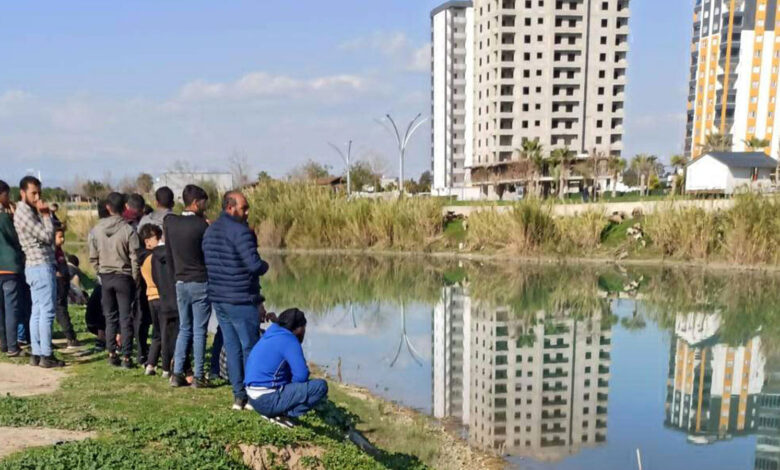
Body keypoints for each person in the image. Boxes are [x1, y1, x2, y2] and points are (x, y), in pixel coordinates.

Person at [203, 191, 270, 410]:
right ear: (230, 207)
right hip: (241, 298)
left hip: (219, 298)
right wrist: (264, 266)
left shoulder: (210, 231)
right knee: (250, 346)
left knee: (231, 347)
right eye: (244, 208)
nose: (247, 212)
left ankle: (238, 396)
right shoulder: (240, 232)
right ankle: (253, 395)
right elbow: (253, 265)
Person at [245, 309, 328, 427]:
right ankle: (283, 414)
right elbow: (301, 375)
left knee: (288, 373)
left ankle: (277, 410)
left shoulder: (272, 331)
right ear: (299, 328)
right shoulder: (290, 340)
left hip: (252, 397)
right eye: (304, 328)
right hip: (266, 401)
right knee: (320, 386)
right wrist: (293, 388)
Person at [14, 176, 64, 368]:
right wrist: (46, 216)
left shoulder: (26, 211)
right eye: (33, 193)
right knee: (47, 312)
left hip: (34, 266)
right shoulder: (25, 213)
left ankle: (37, 352)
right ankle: (46, 354)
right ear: (23, 193)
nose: (37, 197)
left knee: (37, 311)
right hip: (40, 265)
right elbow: (46, 236)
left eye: (39, 193)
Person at [165, 184, 211, 388]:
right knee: (199, 330)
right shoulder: (202, 226)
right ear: (195, 203)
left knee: (185, 328)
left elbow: (168, 253)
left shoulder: (172, 224)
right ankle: (199, 375)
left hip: (180, 281)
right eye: (203, 203)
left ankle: (177, 373)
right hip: (200, 281)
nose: (205, 207)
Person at [89, 192, 140, 368]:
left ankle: (111, 353)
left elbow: (93, 256)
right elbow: (135, 257)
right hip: (124, 276)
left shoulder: (96, 230)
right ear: (125, 207)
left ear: (108, 207)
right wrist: (134, 277)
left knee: (109, 317)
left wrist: (100, 272)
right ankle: (126, 356)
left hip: (106, 276)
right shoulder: (128, 230)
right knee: (125, 318)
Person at [150, 220, 181, 379]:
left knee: (164, 333)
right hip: (176, 297)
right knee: (178, 333)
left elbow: (154, 277)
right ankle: (178, 365)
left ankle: (165, 368)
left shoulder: (154, 255)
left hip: (163, 298)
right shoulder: (175, 252)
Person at [0, 180, 25, 357]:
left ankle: (2, 343)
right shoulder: (4, 218)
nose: (8, 198)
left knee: (0, 309)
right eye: (6, 194)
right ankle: (12, 346)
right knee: (11, 308)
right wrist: (14, 217)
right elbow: (15, 238)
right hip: (9, 267)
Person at [139, 223, 163, 376]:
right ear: (147, 241)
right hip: (160, 296)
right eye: (157, 238)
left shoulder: (142, 258)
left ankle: (151, 363)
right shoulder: (154, 258)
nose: (160, 240)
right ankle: (167, 365)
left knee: (157, 333)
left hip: (150, 296)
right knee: (165, 332)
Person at [53, 227, 79, 348]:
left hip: (63, 283)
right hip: (58, 283)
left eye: (63, 236)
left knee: (62, 309)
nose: (62, 239)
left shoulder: (59, 250)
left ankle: (70, 336)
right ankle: (70, 337)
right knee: (60, 309)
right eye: (60, 237)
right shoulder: (52, 251)